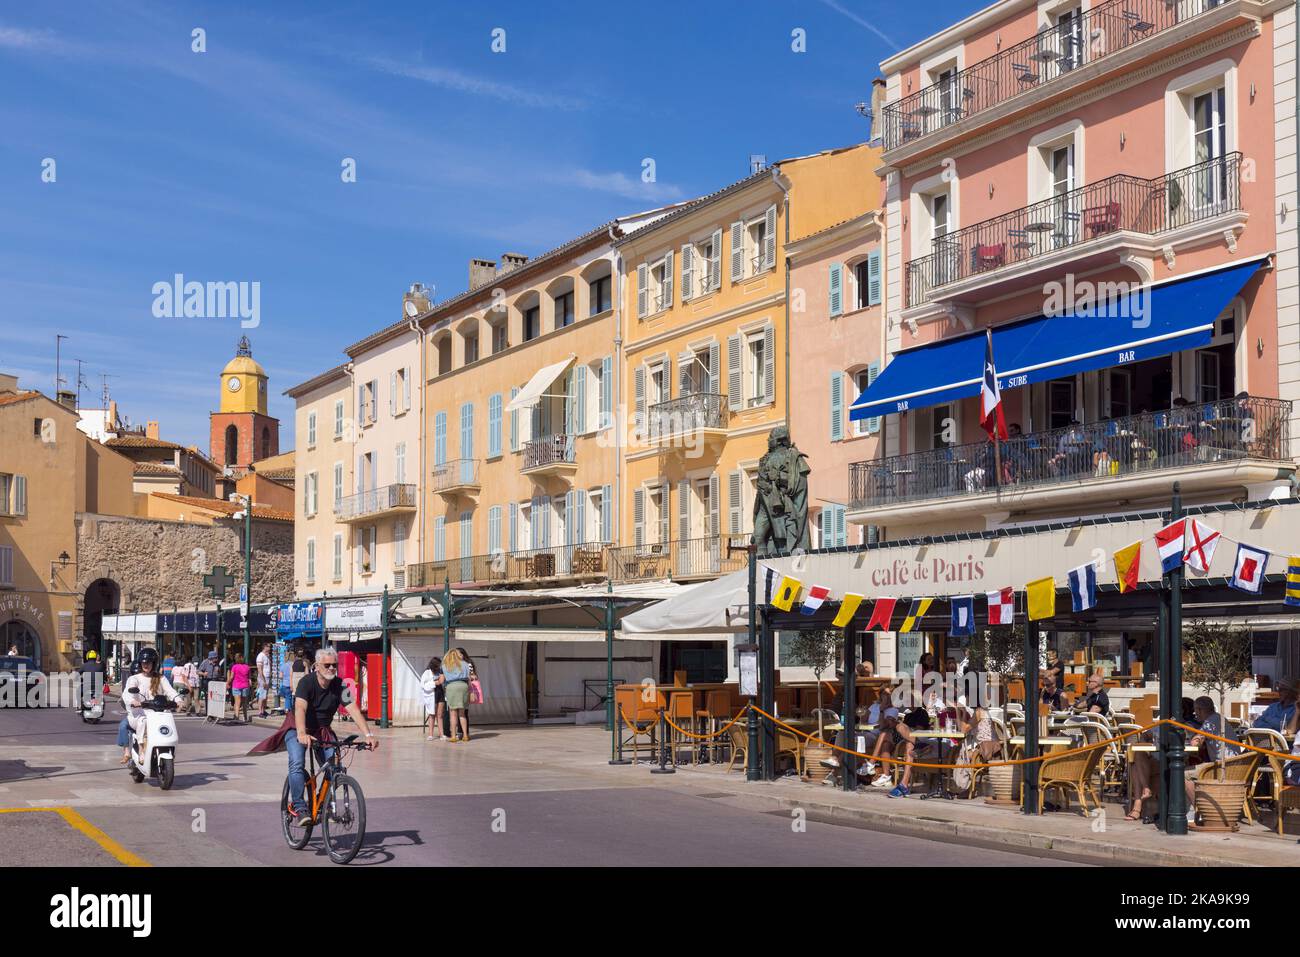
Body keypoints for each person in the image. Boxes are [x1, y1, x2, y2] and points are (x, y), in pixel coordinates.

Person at [282, 646, 379, 821]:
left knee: (335, 767)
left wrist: (368, 735)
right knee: (297, 763)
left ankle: (323, 802)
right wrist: (302, 733)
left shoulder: (340, 685)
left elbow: (353, 710)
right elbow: (300, 708)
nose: (332, 668)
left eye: (334, 665)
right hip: (298, 727)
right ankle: (299, 806)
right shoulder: (306, 682)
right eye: (327, 665)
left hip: (323, 730)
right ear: (317, 666)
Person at [117, 648, 185, 764]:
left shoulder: (161, 678)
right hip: (139, 713)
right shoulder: (134, 678)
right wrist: (133, 702)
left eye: (149, 662)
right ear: (140, 663)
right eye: (143, 662)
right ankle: (142, 749)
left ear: (154, 663)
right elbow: (127, 694)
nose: (146, 665)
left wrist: (178, 700)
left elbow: (170, 691)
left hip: (157, 713)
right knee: (142, 721)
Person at [887, 707, 938, 798]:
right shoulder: (908, 715)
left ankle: (904, 786)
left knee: (901, 729)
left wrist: (908, 730)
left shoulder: (922, 713)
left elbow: (920, 730)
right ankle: (904, 785)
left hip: (926, 738)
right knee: (908, 744)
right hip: (915, 741)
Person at [437, 648, 473, 743]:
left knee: (453, 714)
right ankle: (465, 735)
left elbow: (441, 680)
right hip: (463, 686)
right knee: (462, 713)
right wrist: (470, 691)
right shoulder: (465, 664)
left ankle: (453, 736)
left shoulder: (444, 666)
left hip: (451, 687)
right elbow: (470, 679)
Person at [420, 657, 445, 741]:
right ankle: (430, 734)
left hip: (440, 692)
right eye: (439, 665)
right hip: (432, 693)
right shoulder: (427, 672)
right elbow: (423, 684)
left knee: (440, 715)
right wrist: (434, 683)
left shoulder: (441, 671)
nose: (440, 666)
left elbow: (442, 681)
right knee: (432, 714)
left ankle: (442, 734)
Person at [229, 652, 251, 722]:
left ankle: (237, 717)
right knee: (244, 702)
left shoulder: (234, 667)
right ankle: (245, 717)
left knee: (237, 702)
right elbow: (249, 678)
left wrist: (227, 683)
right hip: (245, 685)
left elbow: (232, 677)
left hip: (236, 686)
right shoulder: (247, 667)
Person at [197, 650, 220, 716]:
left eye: (216, 658)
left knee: (215, 698)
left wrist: (218, 671)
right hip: (207, 681)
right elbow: (198, 671)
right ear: (211, 658)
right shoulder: (205, 662)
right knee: (208, 698)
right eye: (215, 658)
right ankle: (209, 713)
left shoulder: (217, 664)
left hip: (215, 680)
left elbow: (219, 673)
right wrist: (204, 674)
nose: (216, 659)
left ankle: (214, 713)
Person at [255, 643, 272, 718]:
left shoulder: (267, 656)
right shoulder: (260, 656)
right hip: (263, 678)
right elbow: (260, 669)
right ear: (264, 647)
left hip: (267, 677)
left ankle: (263, 710)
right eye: (268, 646)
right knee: (262, 696)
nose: (270, 648)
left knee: (265, 696)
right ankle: (260, 712)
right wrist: (263, 680)